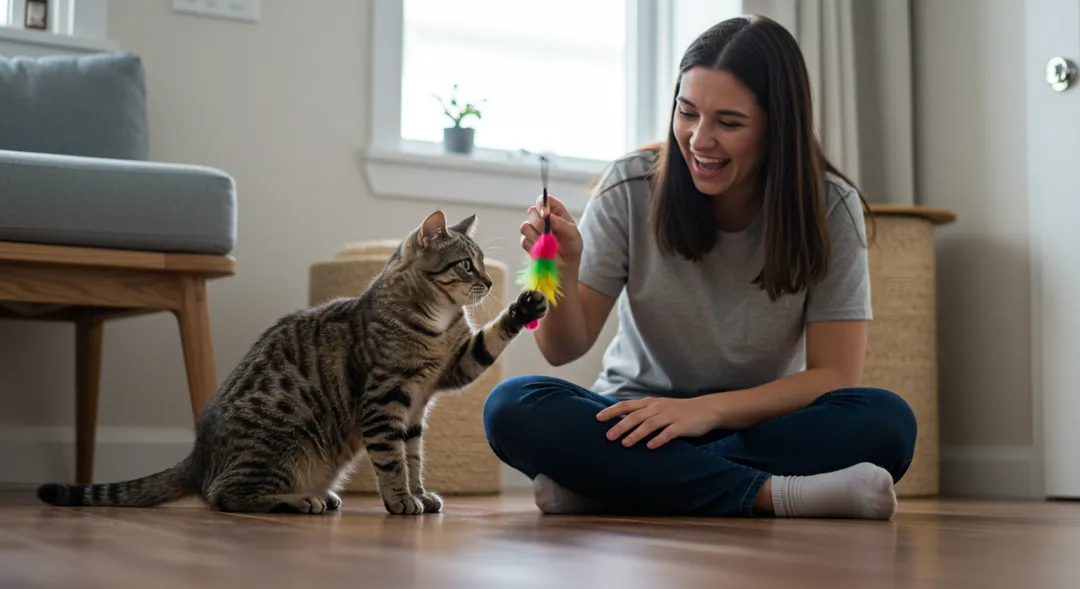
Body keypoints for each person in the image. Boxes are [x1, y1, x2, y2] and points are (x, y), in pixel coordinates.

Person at [482, 15, 917, 520]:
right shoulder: (628, 188)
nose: (699, 139)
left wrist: (701, 411)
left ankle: (612, 490)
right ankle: (772, 493)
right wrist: (564, 267)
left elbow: (833, 376)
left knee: (887, 421)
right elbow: (561, 350)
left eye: (728, 123)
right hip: (632, 422)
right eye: (686, 113)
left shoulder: (829, 208)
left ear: (779, 126)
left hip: (755, 423)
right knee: (512, 405)